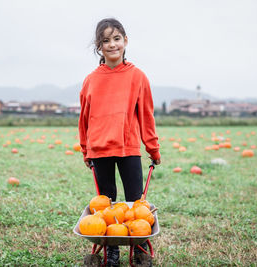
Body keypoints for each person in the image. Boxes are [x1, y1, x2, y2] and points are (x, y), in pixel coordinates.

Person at [78, 18, 161, 267]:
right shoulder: (91, 80)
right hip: (100, 150)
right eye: (105, 41)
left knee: (137, 203)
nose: (112, 45)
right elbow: (84, 120)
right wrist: (86, 150)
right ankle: (111, 251)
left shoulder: (137, 77)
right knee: (106, 204)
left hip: (128, 149)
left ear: (125, 41)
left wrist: (152, 148)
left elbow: (146, 116)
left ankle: (140, 249)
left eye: (116, 39)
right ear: (99, 47)